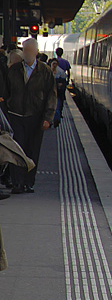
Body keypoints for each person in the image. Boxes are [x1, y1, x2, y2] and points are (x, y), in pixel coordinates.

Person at [6, 38, 56, 194]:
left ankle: (29, 182)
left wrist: (48, 118)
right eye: (25, 50)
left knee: (33, 150)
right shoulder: (14, 70)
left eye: (30, 50)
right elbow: (6, 91)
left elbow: (51, 96)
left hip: (36, 116)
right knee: (17, 149)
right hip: (15, 115)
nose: (27, 53)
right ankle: (17, 183)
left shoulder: (45, 71)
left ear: (36, 52)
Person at [50, 57, 68, 128]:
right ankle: (50, 121)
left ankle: (56, 120)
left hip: (57, 93)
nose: (54, 65)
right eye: (53, 63)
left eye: (55, 64)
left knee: (56, 107)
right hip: (49, 94)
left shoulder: (60, 72)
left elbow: (63, 82)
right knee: (50, 108)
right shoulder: (47, 71)